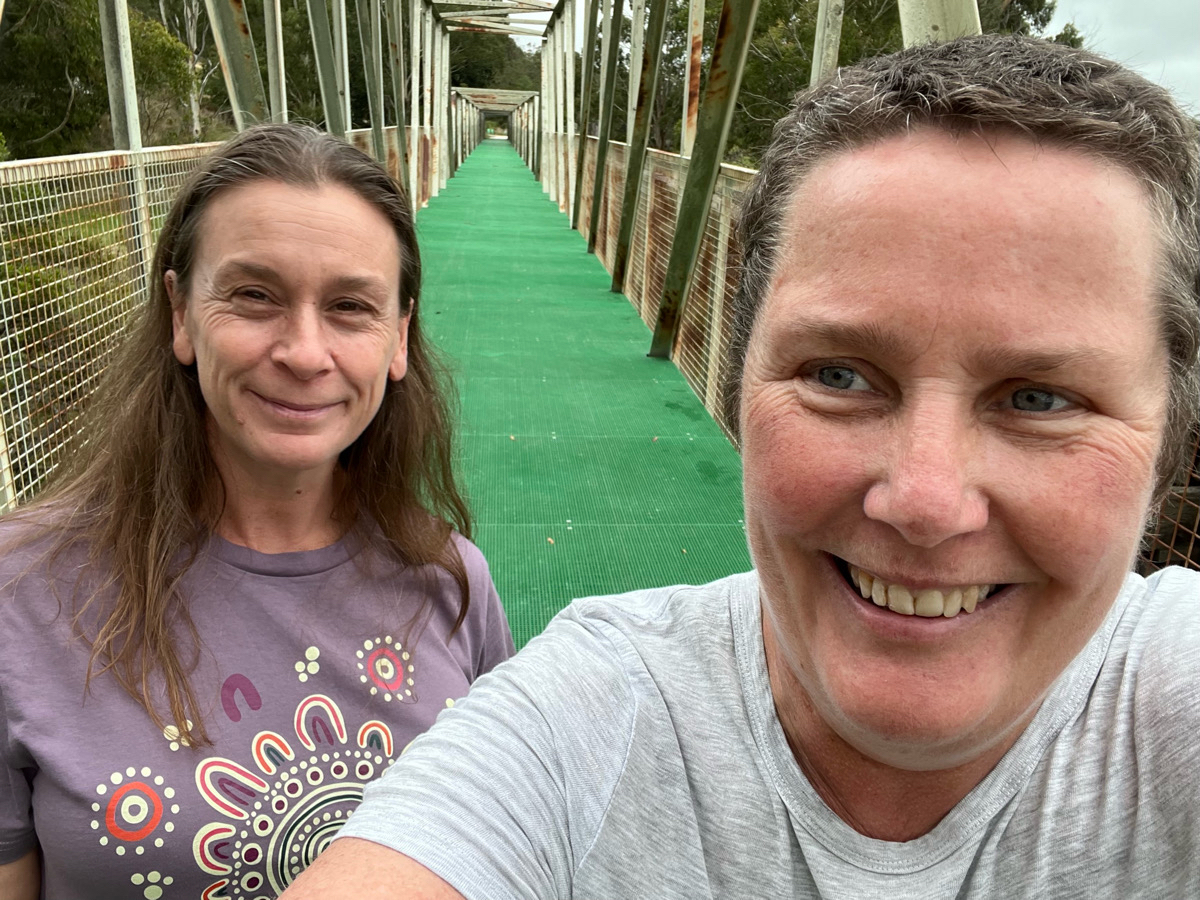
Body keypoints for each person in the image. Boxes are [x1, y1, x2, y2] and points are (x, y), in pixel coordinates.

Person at [282, 32, 1200, 899]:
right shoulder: (587, 715)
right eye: (839, 377)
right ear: (736, 390)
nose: (924, 501)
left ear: (1170, 445)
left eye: (1040, 399)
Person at [0, 124, 514, 899]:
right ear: (180, 313)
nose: (305, 352)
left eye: (350, 306)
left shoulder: (451, 582)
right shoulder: (21, 590)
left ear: (399, 338)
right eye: (253, 296)